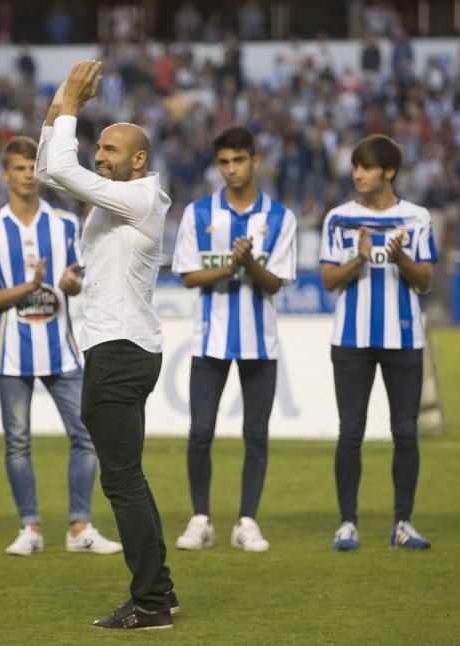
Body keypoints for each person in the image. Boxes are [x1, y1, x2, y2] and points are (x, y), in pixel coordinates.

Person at [37, 60, 176, 630]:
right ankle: (156, 594)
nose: (101, 154)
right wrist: (58, 105)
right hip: (118, 349)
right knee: (126, 476)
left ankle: (152, 601)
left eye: (111, 149)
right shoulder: (116, 202)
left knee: (121, 479)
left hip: (119, 353)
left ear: (139, 160)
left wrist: (70, 101)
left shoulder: (142, 196)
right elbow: (52, 168)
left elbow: (61, 171)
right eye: (98, 146)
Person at [0, 136, 121, 557]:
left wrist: (71, 284)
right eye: (18, 168)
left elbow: (76, 279)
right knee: (18, 442)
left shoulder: (66, 225)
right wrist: (28, 288)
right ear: (5, 174)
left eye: (32, 168)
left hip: (62, 351)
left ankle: (79, 527)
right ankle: (30, 526)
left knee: (86, 434)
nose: (27, 176)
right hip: (11, 352)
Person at [171, 126, 296, 553]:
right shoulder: (199, 213)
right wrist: (231, 266)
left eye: (238, 161)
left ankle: (246, 521)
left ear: (255, 161)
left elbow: (276, 283)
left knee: (255, 434)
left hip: (261, 342)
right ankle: (201, 518)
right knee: (201, 430)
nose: (230, 170)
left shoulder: (279, 218)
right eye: (223, 162)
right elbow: (188, 276)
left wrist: (247, 264)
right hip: (210, 341)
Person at [319, 134, 437, 552]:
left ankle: (402, 522)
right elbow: (329, 280)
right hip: (351, 340)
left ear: (388, 172)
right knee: (350, 432)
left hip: (404, 340)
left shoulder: (417, 218)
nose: (358, 174)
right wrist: (359, 257)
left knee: (405, 432)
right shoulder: (339, 219)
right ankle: (347, 523)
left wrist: (400, 257)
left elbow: (425, 280)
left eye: (367, 167)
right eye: (356, 167)